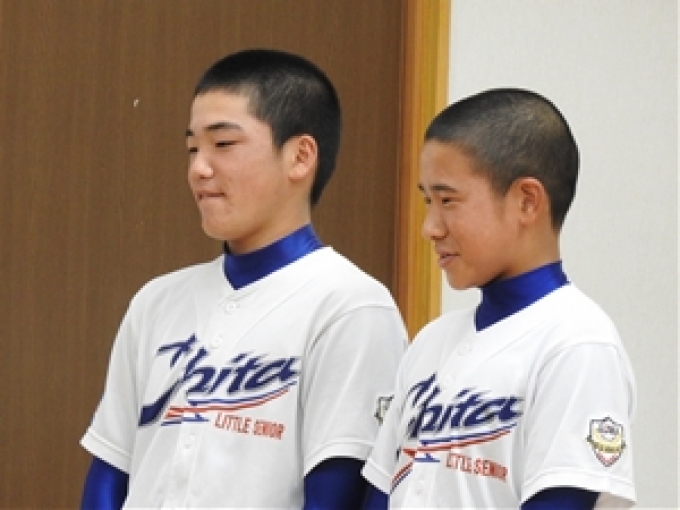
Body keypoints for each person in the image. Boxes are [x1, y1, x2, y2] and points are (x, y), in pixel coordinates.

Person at [80, 48, 408, 509]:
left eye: (223, 144)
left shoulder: (351, 306)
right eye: (192, 148)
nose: (199, 168)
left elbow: (341, 494)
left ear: (300, 156)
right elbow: (110, 468)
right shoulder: (157, 300)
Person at [361, 88, 636, 509]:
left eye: (448, 201)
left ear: (527, 201)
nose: (430, 227)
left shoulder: (578, 344)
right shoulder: (432, 341)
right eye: (427, 201)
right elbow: (380, 493)